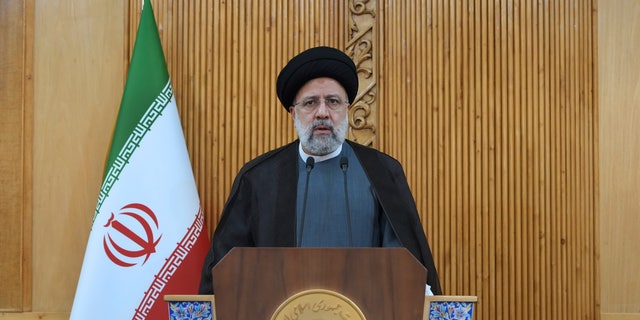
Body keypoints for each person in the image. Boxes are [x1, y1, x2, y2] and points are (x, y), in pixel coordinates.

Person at [198, 46, 442, 295]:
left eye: (333, 101)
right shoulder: (259, 178)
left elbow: (406, 272)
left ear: (347, 109)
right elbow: (225, 278)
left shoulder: (382, 172)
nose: (322, 112)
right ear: (293, 113)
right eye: (310, 103)